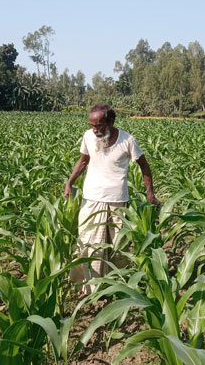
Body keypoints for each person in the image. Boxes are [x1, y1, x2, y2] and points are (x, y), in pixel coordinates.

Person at [64, 104, 159, 296]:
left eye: (99, 125)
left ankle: (116, 286)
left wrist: (150, 193)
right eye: (92, 125)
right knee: (88, 242)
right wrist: (69, 182)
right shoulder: (89, 137)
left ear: (111, 122)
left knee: (118, 246)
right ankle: (87, 286)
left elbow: (144, 166)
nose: (95, 130)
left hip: (117, 201)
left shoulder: (128, 140)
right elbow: (83, 161)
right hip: (91, 199)